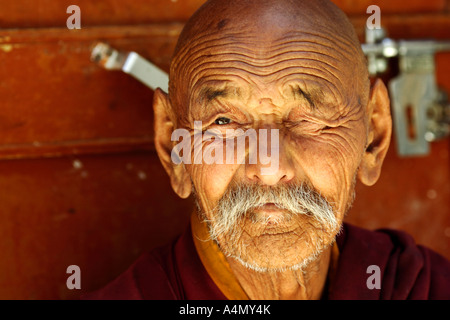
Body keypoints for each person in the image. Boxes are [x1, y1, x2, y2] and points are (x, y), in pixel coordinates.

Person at [84, 0, 450, 299]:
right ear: (173, 148)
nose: (269, 167)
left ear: (373, 137)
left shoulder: (422, 288)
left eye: (309, 119)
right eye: (224, 122)